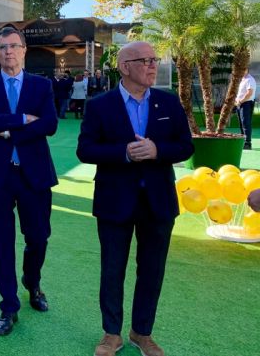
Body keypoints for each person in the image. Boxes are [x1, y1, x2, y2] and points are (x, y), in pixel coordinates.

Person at [77, 41, 194, 356]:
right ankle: (111, 333)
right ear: (125, 67)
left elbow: (186, 146)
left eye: (154, 59)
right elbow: (85, 149)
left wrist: (157, 150)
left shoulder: (169, 103)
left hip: (158, 201)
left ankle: (142, 333)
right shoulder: (100, 105)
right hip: (114, 201)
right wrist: (124, 153)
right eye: (145, 60)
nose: (153, 65)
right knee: (112, 269)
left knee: (152, 270)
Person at [0, 27, 58, 336]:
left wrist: (6, 128)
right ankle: (9, 305)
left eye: (13, 46)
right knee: (1, 241)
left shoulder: (41, 85)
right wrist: (22, 119)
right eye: (2, 47)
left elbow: (50, 124)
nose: (8, 51)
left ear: (24, 50)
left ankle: (32, 282)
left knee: (39, 236)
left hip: (34, 174)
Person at [235, 68, 256, 150]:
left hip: (246, 103)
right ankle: (243, 141)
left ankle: (247, 143)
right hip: (240, 104)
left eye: (244, 69)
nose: (242, 71)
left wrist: (240, 101)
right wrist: (237, 101)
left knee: (246, 123)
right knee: (241, 123)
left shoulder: (250, 79)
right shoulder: (242, 80)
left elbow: (249, 93)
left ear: (247, 70)